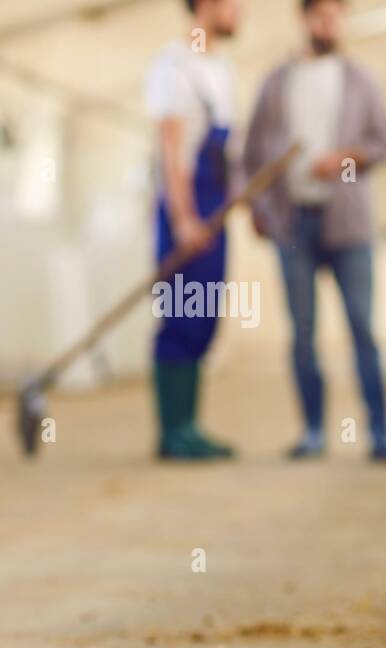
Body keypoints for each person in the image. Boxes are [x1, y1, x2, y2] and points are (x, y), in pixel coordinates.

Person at [244, 0, 386, 463]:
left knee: (361, 327)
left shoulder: (361, 80)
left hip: (348, 221)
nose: (329, 23)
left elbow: (384, 142)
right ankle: (313, 431)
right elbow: (251, 152)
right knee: (302, 331)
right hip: (293, 220)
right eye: (321, 14)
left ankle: (380, 434)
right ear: (305, 19)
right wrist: (258, 205)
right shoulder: (277, 83)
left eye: (337, 14)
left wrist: (345, 160)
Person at [145, 0, 243, 459]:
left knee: (204, 319)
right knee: (181, 317)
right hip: (185, 213)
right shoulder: (175, 65)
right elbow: (173, 150)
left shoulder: (220, 69)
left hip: (215, 212)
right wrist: (184, 217)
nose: (241, 10)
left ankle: (189, 426)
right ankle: (172, 433)